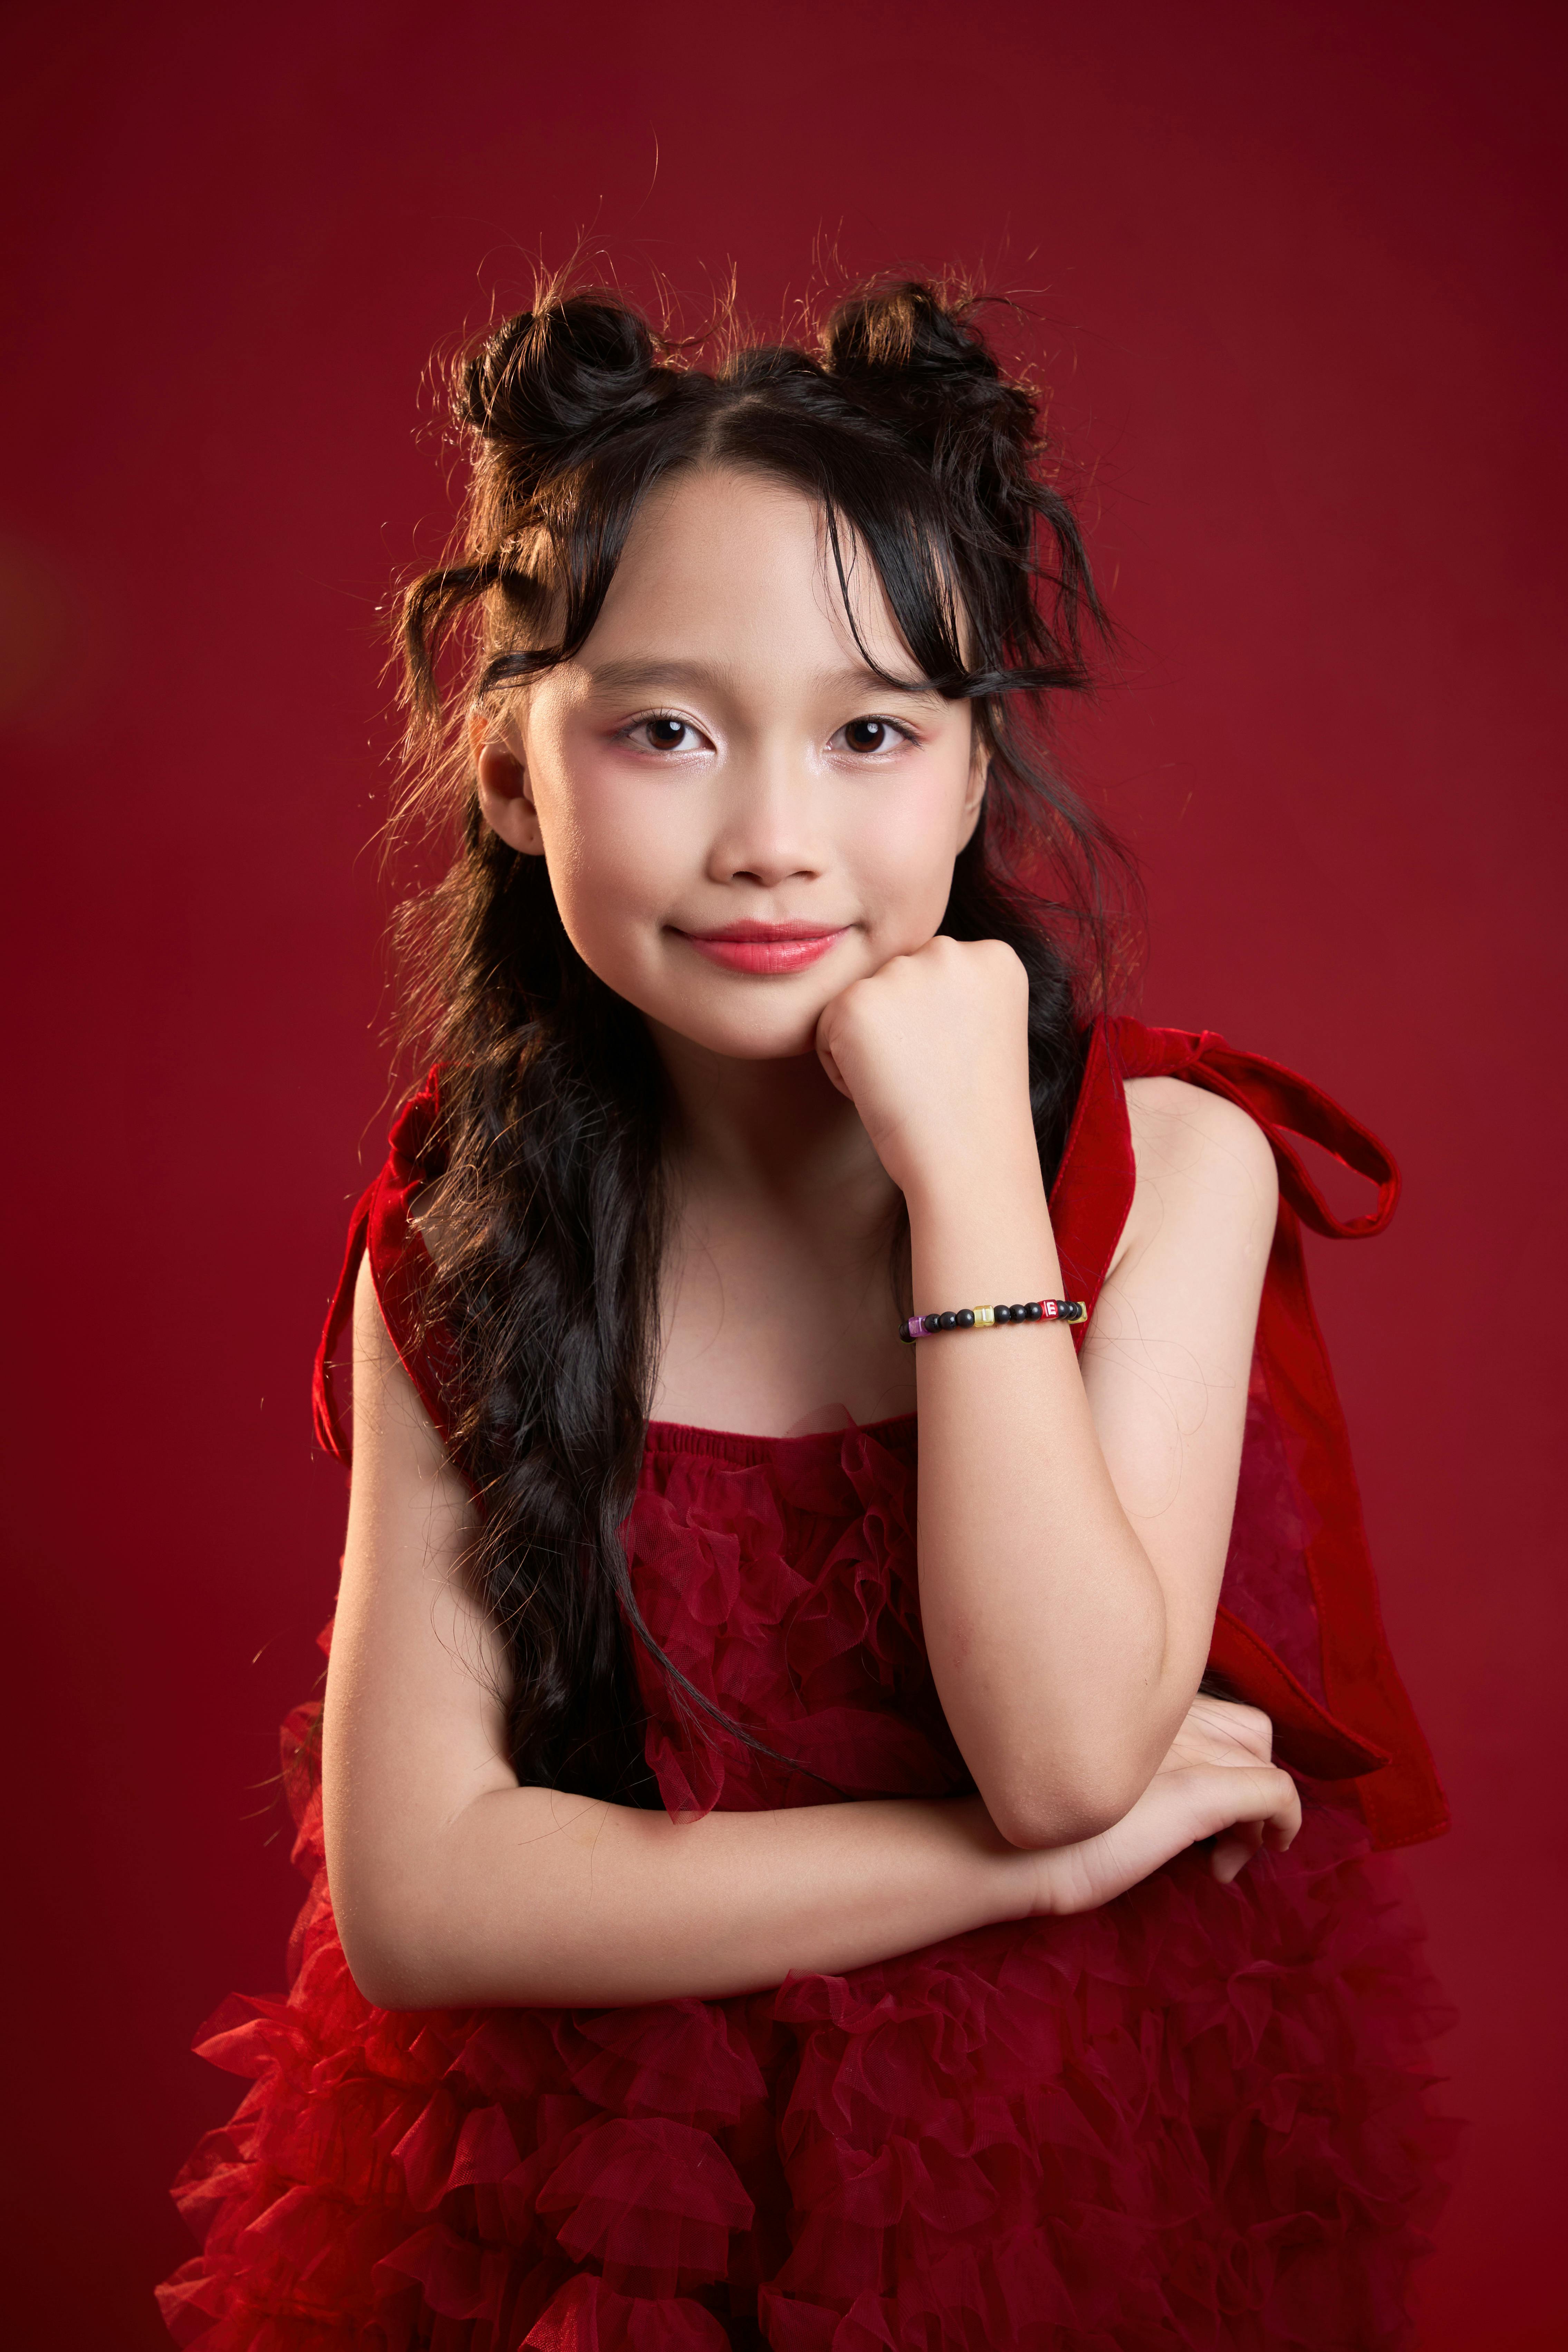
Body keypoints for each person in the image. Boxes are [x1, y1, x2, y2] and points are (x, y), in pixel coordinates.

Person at [159, 278, 1451, 2351]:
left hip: (1059, 2156)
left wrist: (961, 1170)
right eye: (664, 730)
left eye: (870, 734)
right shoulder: (472, 1224)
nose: (771, 840)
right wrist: (1004, 1876)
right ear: (510, 773)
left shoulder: (1167, 1162)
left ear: (968, 779)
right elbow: (423, 1897)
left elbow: (1060, 1748)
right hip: (597, 2178)